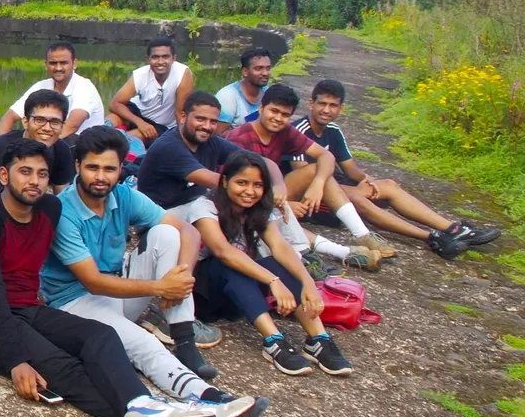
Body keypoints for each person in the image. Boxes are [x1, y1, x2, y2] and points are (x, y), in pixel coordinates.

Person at [0, 138, 221, 417]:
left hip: (26, 307)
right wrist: (16, 360)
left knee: (101, 336)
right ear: (4, 175)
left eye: (42, 174)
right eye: (25, 172)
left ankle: (146, 408)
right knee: (64, 367)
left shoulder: (49, 209)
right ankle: (147, 414)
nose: (34, 181)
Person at [39, 127, 267, 417]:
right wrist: (160, 288)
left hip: (118, 291)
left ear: (122, 169)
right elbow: (92, 282)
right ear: (78, 166)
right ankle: (209, 397)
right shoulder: (64, 210)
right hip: (75, 303)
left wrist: (181, 275)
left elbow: (189, 231)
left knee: (166, 233)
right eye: (92, 167)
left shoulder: (124, 195)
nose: (101, 177)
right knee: (142, 343)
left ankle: (184, 338)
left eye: (110, 168)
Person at [136, 91, 379, 275]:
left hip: (197, 206)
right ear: (182, 116)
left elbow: (262, 162)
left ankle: (302, 255)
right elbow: (217, 181)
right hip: (163, 218)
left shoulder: (211, 141)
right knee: (249, 200)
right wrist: (263, 193)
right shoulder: (170, 147)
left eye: (212, 121)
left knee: (260, 200)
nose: (207, 127)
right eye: (200, 119)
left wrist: (279, 188)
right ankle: (291, 262)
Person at [293, 79, 496, 258]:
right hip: (312, 199)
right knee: (357, 198)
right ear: (311, 104)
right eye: (322, 104)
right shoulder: (298, 131)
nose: (326, 110)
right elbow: (306, 177)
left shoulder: (334, 131)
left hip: (336, 186)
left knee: (388, 185)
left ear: (341, 109)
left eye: (333, 106)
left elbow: (351, 170)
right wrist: (359, 190)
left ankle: (453, 228)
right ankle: (432, 238)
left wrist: (369, 181)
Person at [192, 152, 353, 377]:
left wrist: (308, 283)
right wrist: (272, 281)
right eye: (242, 183)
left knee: (279, 262)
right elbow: (223, 252)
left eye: (257, 185)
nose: (250, 191)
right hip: (204, 294)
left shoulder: (258, 209)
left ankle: (318, 339)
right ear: (225, 181)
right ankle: (274, 340)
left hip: (238, 296)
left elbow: (280, 247)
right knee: (230, 263)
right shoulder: (204, 206)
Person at [228, 84, 397, 259]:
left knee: (317, 170)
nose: (278, 118)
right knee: (273, 222)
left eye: (285, 115)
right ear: (261, 108)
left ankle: (362, 235)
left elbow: (325, 156)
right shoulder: (239, 138)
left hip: (276, 191)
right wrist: (281, 204)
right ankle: (343, 253)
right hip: (246, 199)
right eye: (274, 111)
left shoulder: (285, 132)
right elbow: (236, 188)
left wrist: (317, 184)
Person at [0, 89, 75, 206]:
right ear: (25, 121)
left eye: (55, 122)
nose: (47, 128)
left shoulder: (61, 149)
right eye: (40, 120)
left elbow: (62, 197)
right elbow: (5, 202)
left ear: (63, 125)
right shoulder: (1, 148)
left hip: (29, 205)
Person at [0, 41, 105, 138]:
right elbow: (9, 117)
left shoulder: (84, 86)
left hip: (81, 142)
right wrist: (3, 146)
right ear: (46, 65)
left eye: (63, 63)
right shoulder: (41, 86)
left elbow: (72, 125)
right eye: (53, 63)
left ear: (74, 64)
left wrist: (39, 147)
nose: (58, 68)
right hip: (50, 136)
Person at [107, 37, 194, 144]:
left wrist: (182, 142)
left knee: (134, 137)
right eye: (155, 57)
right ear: (148, 59)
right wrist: (140, 122)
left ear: (174, 58)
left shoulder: (182, 74)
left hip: (162, 125)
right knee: (112, 119)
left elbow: (180, 113)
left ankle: (110, 142)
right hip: (138, 114)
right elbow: (115, 104)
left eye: (165, 57)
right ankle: (99, 134)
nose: (160, 62)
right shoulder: (140, 74)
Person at [214, 47, 272, 135]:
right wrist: (254, 131)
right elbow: (219, 134)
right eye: (258, 68)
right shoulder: (227, 97)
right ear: (245, 72)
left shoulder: (268, 93)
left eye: (268, 68)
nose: (265, 73)